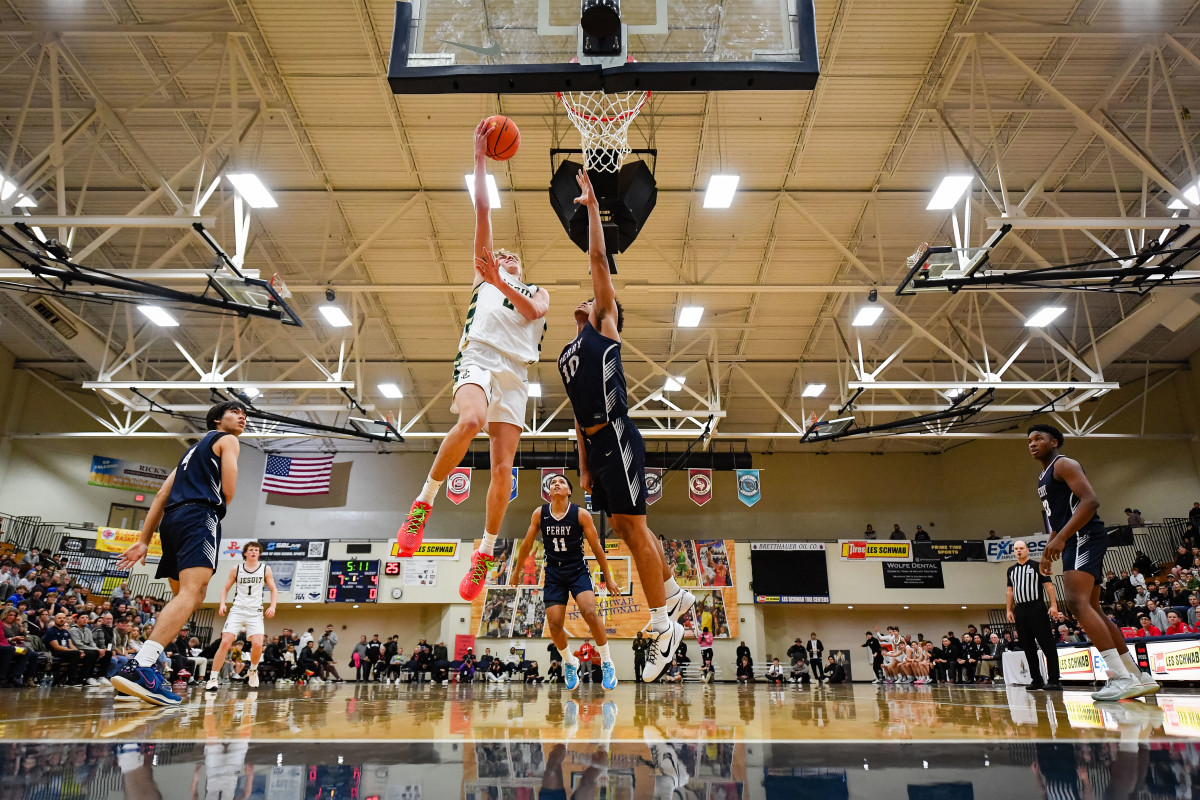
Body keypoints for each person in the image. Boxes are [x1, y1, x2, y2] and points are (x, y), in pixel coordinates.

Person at [396, 121, 551, 606]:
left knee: (504, 469)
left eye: (510, 255)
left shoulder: (531, 289)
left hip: (517, 373)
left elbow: (535, 311)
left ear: (518, 267)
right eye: (497, 254)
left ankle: (484, 554)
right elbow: (482, 207)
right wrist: (481, 158)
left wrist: (503, 280)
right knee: (471, 419)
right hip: (480, 357)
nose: (503, 254)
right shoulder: (483, 279)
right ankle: (424, 503)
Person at [556, 168, 696, 684]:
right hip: (597, 446)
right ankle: (675, 593)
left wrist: (593, 208)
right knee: (622, 526)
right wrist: (584, 468)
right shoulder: (572, 347)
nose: (589, 296)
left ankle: (663, 626)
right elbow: (575, 410)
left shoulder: (606, 326)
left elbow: (597, 259)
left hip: (618, 436)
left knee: (632, 529)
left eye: (595, 297)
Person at [113, 400, 246, 706]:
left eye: (245, 415)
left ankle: (143, 669)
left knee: (183, 599)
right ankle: (141, 667)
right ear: (216, 420)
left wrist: (144, 540)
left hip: (171, 522)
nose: (242, 417)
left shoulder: (188, 454)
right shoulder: (228, 440)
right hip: (199, 516)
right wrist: (214, 509)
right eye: (235, 412)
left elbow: (161, 496)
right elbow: (229, 490)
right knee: (194, 593)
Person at [1028, 423, 1158, 701]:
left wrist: (1062, 538)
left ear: (1054, 442)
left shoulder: (1064, 464)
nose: (1032, 443)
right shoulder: (1043, 477)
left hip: (1084, 534)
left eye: (1038, 438)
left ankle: (1121, 678)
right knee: (1093, 608)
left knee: (1077, 603)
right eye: (1029, 440)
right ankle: (1136, 675)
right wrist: (1049, 548)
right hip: (1074, 536)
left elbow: (1090, 501)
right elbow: (1058, 517)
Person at [510, 473, 620, 691]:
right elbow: (527, 544)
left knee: (590, 612)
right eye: (553, 483)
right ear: (549, 493)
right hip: (553, 573)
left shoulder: (580, 514)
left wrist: (608, 577)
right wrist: (516, 571)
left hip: (577, 570)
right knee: (554, 624)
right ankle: (570, 662)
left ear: (569, 491)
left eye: (561, 482)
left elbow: (597, 547)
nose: (556, 484)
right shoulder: (539, 514)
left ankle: (607, 661)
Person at [207, 541, 277, 690]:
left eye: (256, 550)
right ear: (245, 553)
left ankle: (252, 670)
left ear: (259, 554)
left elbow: (273, 590)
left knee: (258, 644)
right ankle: (213, 678)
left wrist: (272, 606)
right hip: (237, 610)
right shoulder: (236, 569)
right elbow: (224, 589)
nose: (254, 552)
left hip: (255, 611)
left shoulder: (265, 569)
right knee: (225, 642)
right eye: (251, 550)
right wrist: (222, 604)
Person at [1005, 540, 1062, 690]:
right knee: (1028, 647)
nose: (1019, 551)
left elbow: (1049, 586)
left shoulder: (1038, 566)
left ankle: (1054, 680)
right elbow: (1010, 591)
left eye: (1021, 548)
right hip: (1020, 610)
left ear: (1027, 550)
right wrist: (1009, 610)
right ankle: (1036, 680)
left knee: (1047, 644)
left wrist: (1054, 605)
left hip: (1036, 607)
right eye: (1016, 549)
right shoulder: (1011, 570)